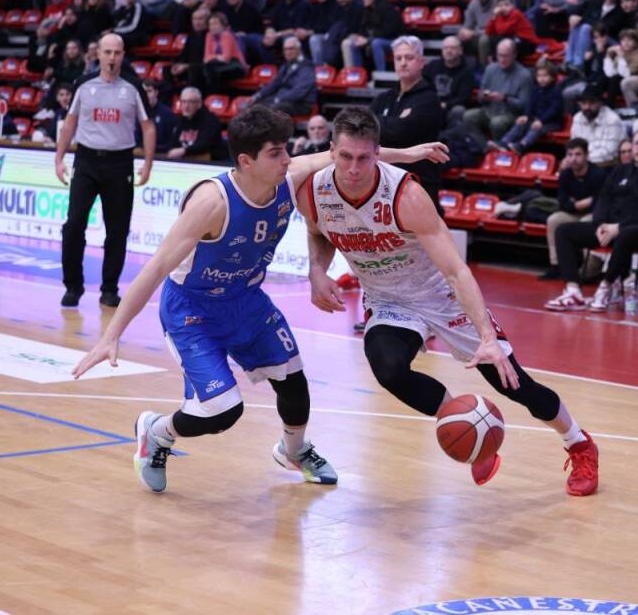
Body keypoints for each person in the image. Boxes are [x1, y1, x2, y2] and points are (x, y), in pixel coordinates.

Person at [71, 105, 450, 493]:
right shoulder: (211, 203)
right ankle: (157, 431)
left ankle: (294, 450)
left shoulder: (287, 178)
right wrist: (111, 334)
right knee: (223, 412)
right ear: (246, 161)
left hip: (247, 300)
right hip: (192, 311)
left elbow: (344, 155)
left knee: (294, 383)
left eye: (287, 150)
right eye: (277, 153)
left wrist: (408, 154)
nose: (289, 159)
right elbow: (155, 268)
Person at [301, 107, 599, 496]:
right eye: (345, 157)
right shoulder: (314, 190)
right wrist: (316, 271)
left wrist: (486, 337)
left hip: (440, 294)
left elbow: (457, 270)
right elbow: (319, 233)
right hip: (389, 299)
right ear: (331, 151)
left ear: (377, 153)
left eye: (363, 158)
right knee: (388, 367)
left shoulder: (405, 195)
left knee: (513, 383)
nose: (354, 168)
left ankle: (578, 442)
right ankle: (472, 429)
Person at [54, 33, 155, 309]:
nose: (112, 58)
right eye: (107, 52)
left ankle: (109, 288)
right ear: (98, 54)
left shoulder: (134, 87)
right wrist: (59, 157)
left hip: (120, 162)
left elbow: (148, 127)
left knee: (117, 229)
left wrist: (147, 162)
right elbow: (70, 122)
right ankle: (73, 286)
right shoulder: (83, 85)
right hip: (86, 161)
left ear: (123, 55)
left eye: (117, 53)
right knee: (74, 224)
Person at [545, 127, 638, 313]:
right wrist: (600, 225)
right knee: (564, 231)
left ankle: (604, 288)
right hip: (610, 228)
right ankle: (573, 291)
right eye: (637, 143)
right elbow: (603, 200)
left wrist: (619, 227)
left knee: (627, 235)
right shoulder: (620, 171)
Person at [370, 35, 445, 208]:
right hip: (383, 183)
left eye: (409, 57)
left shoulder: (429, 99)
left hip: (418, 184)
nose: (403, 62)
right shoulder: (385, 97)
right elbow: (363, 127)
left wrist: (379, 122)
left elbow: (401, 132)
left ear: (421, 62)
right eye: (398, 58)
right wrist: (391, 122)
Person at [539, 138, 607, 280]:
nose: (573, 159)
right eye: (570, 155)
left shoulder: (599, 174)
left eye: (578, 154)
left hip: (593, 215)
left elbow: (598, 202)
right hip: (573, 213)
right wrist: (580, 204)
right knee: (554, 219)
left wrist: (578, 203)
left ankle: (587, 270)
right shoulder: (565, 174)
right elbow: (563, 203)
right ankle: (556, 265)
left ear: (586, 155)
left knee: (585, 222)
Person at [249, 37, 317, 117]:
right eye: (285, 49)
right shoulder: (286, 65)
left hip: (300, 103)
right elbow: (274, 84)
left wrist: (278, 99)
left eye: (291, 49)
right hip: (283, 99)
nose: (288, 52)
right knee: (255, 107)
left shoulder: (307, 66)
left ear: (299, 49)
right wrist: (257, 96)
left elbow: (299, 91)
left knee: (274, 108)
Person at [166, 87, 228, 161]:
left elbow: (205, 144)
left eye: (190, 102)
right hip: (186, 162)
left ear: (199, 103)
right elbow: (172, 143)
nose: (186, 106)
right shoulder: (181, 120)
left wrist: (184, 151)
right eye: (183, 102)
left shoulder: (210, 120)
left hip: (211, 163)